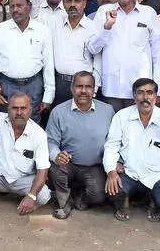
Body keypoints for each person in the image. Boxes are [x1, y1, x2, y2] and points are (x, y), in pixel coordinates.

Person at [103, 79, 160, 223]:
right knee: (113, 191)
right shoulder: (122, 116)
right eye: (140, 93)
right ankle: (126, 200)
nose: (145, 97)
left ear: (155, 96)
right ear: (134, 96)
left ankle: (153, 198)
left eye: (149, 93)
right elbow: (111, 146)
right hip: (129, 172)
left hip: (157, 175)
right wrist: (111, 171)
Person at [0, 83, 51, 219]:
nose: (19, 112)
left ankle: (26, 201)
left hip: (22, 180)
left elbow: (42, 170)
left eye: (23, 108)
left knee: (44, 195)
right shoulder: (0, 119)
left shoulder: (39, 133)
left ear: (30, 110)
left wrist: (31, 196)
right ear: (8, 109)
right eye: (14, 108)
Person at [90, 0, 160, 111]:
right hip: (112, 88)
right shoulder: (104, 11)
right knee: (114, 130)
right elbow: (92, 48)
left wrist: (158, 90)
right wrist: (106, 28)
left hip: (141, 89)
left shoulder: (148, 13)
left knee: (138, 130)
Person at [46, 71, 115, 219]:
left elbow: (115, 141)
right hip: (68, 165)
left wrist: (117, 163)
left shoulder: (107, 111)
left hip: (94, 167)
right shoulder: (58, 112)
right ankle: (64, 202)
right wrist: (56, 155)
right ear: (72, 88)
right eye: (79, 86)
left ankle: (80, 196)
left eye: (88, 86)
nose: (83, 91)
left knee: (98, 196)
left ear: (94, 89)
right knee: (54, 169)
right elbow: (50, 141)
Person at [0, 0, 54, 122]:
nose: (15, 10)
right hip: (6, 86)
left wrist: (48, 96)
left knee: (32, 125)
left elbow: (48, 65)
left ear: (29, 6)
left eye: (19, 5)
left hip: (34, 86)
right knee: (5, 125)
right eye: (12, 6)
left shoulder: (42, 30)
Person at [49, 0, 98, 110]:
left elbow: (99, 61)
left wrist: (95, 88)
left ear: (84, 3)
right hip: (59, 84)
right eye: (69, 1)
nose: (72, 4)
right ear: (63, 2)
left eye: (76, 1)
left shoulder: (94, 28)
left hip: (84, 85)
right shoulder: (54, 24)